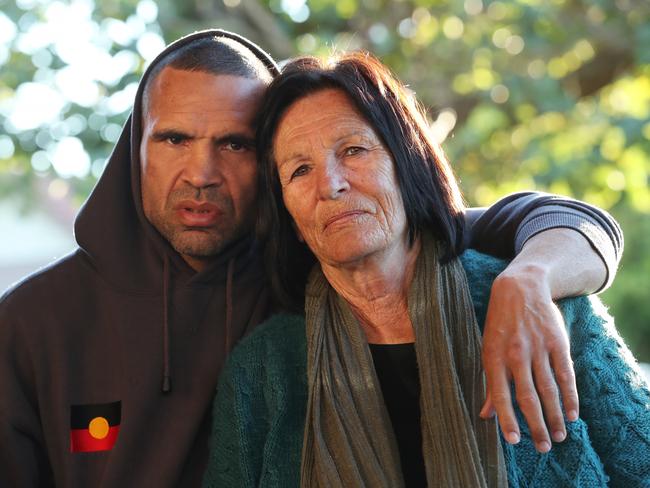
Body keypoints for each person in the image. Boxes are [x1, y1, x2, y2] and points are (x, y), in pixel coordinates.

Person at [0, 30, 624, 487]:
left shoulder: (328, 254)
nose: (202, 172)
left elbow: (559, 222)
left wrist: (532, 280)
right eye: (173, 139)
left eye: (236, 144)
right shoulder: (31, 325)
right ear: (135, 145)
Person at [203, 52, 649, 487]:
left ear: (407, 166)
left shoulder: (540, 307)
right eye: (300, 170)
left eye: (354, 150)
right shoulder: (260, 370)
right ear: (289, 217)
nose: (331, 185)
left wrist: (529, 282)